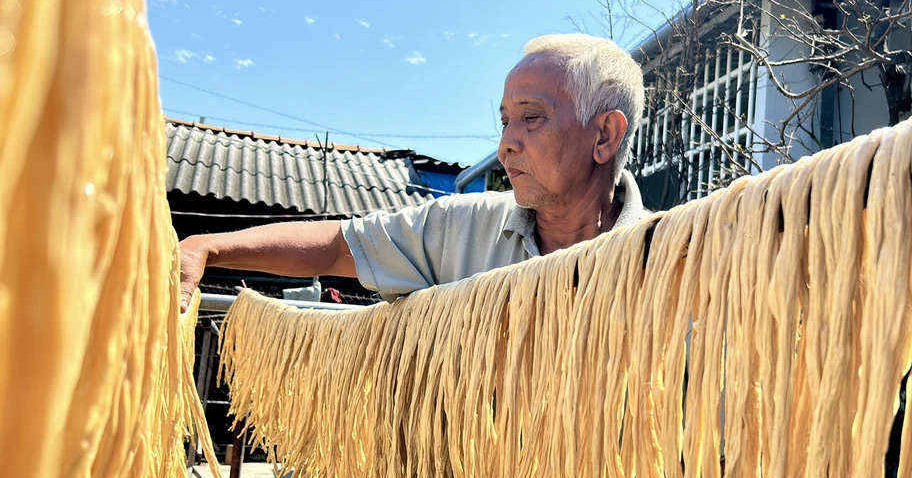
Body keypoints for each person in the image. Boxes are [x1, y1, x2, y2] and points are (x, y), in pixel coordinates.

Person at [178, 33, 650, 312]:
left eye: (531, 117)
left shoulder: (669, 260)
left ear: (604, 135)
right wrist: (205, 247)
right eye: (505, 120)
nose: (506, 144)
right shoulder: (461, 229)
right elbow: (337, 246)